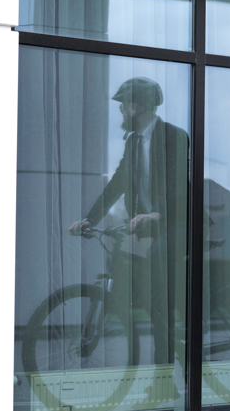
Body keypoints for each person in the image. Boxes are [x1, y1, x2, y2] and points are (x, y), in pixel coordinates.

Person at [69, 77, 188, 376]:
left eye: (123, 107)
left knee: (159, 291)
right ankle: (171, 344)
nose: (121, 112)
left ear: (135, 107)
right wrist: (90, 219)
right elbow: (118, 183)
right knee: (147, 289)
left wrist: (157, 215)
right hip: (151, 223)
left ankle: (165, 375)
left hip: (180, 222)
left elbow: (180, 188)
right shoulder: (134, 142)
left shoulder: (174, 136)